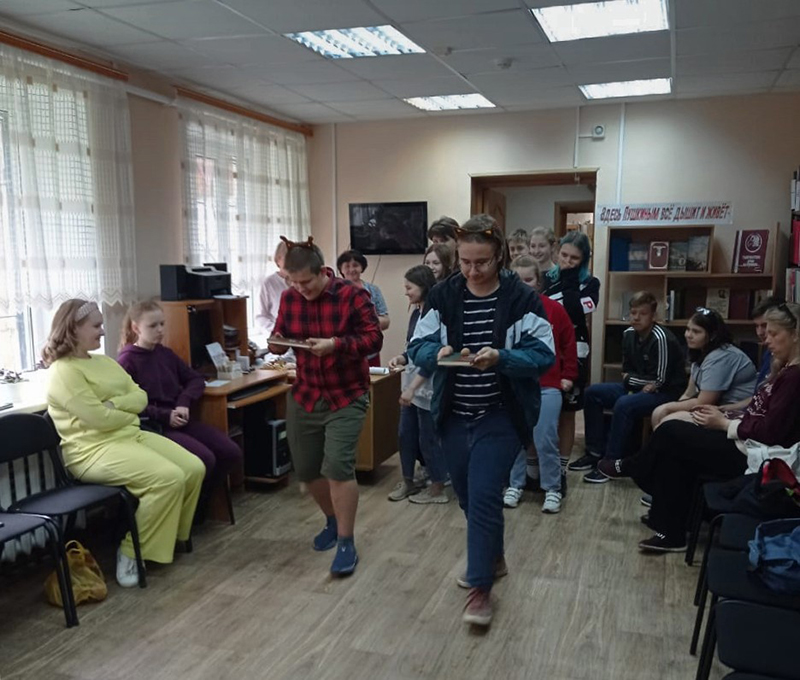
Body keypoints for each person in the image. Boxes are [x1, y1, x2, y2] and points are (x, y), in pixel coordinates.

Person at [408, 214, 555, 627]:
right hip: (454, 414)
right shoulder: (443, 295)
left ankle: (479, 589)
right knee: (469, 497)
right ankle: (494, 556)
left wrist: (502, 358)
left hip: (501, 414)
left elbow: (543, 356)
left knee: (486, 493)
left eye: (482, 263)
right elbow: (418, 344)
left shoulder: (521, 298)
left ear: (500, 256)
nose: (472, 271)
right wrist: (434, 354)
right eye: (466, 262)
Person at [604, 302, 800, 552]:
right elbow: (755, 413)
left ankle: (633, 467)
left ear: (795, 334)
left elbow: (770, 432)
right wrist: (725, 418)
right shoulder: (782, 368)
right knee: (674, 448)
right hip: (744, 437)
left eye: (773, 333)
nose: (766, 339)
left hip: (758, 455)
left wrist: (724, 423)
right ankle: (670, 530)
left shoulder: (794, 377)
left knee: (671, 433)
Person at [44, 299, 204, 587]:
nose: (103, 331)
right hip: (92, 451)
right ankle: (131, 551)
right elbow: (99, 420)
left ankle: (166, 539)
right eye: (96, 326)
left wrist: (115, 405)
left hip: (128, 436)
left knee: (193, 468)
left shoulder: (104, 362)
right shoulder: (63, 372)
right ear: (74, 329)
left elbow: (140, 397)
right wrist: (125, 411)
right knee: (168, 478)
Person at [269, 236, 382, 576]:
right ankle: (332, 520)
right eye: (293, 283)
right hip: (306, 393)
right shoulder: (290, 298)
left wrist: (335, 344)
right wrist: (276, 345)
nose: (299, 289)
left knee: (337, 467)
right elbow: (279, 334)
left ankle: (346, 541)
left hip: (346, 394)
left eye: (305, 282)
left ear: (322, 272)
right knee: (306, 470)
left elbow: (373, 338)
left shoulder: (352, 295)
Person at [117, 300, 243, 511]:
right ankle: (190, 511)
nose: (160, 330)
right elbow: (129, 404)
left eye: (162, 324)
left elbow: (195, 379)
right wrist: (165, 415)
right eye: (153, 326)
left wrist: (183, 403)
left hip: (180, 418)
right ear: (136, 328)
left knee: (231, 452)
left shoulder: (164, 353)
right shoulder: (127, 360)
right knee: (205, 459)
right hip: (156, 426)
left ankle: (200, 504)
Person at [577, 291, 687, 483]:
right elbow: (626, 372)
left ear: (653, 316)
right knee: (592, 393)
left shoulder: (662, 338)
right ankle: (594, 452)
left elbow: (660, 381)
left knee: (624, 404)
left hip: (667, 393)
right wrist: (636, 382)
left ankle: (611, 463)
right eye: (633, 313)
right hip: (638, 388)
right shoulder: (628, 334)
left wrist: (633, 381)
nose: (636, 318)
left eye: (642, 313)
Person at [504, 256, 577, 514]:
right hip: (515, 385)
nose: (523, 284)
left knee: (545, 438)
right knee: (515, 437)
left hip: (547, 385)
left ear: (538, 282)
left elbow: (569, 343)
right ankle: (515, 484)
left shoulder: (554, 309)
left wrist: (568, 375)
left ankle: (552, 488)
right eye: (518, 279)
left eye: (528, 279)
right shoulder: (505, 310)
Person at [387, 265, 449, 504]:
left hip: (426, 387)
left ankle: (437, 487)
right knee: (405, 434)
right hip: (410, 384)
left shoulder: (437, 315)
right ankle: (408, 481)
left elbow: (432, 358)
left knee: (428, 438)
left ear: (423, 287)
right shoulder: (416, 313)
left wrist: (414, 387)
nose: (406, 292)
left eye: (409, 287)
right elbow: (412, 347)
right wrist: (401, 358)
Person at [543, 231, 600, 477]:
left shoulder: (591, 283)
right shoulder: (546, 278)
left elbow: (576, 312)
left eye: (574, 258)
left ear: (583, 260)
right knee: (545, 411)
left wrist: (569, 280)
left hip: (574, 352)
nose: (567, 261)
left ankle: (562, 468)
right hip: (546, 349)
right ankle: (540, 467)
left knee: (567, 413)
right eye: (564, 255)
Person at [649, 308, 757, 430]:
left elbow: (704, 402)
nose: (688, 335)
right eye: (688, 329)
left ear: (713, 335)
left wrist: (668, 408)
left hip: (736, 412)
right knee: (659, 413)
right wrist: (670, 408)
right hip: (715, 408)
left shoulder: (721, 356)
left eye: (696, 331)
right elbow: (689, 393)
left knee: (668, 422)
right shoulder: (700, 352)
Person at [336, 249, 389, 366]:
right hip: (343, 353)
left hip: (370, 352)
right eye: (347, 266)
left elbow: (386, 321)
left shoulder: (373, 290)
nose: (351, 269)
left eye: (355, 265)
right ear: (341, 269)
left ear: (362, 267)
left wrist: (362, 322)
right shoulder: (334, 291)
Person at [254, 240, 289, 343]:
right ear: (278, 260)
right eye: (288, 258)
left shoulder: (302, 281)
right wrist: (276, 330)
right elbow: (260, 316)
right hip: (279, 338)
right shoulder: (268, 283)